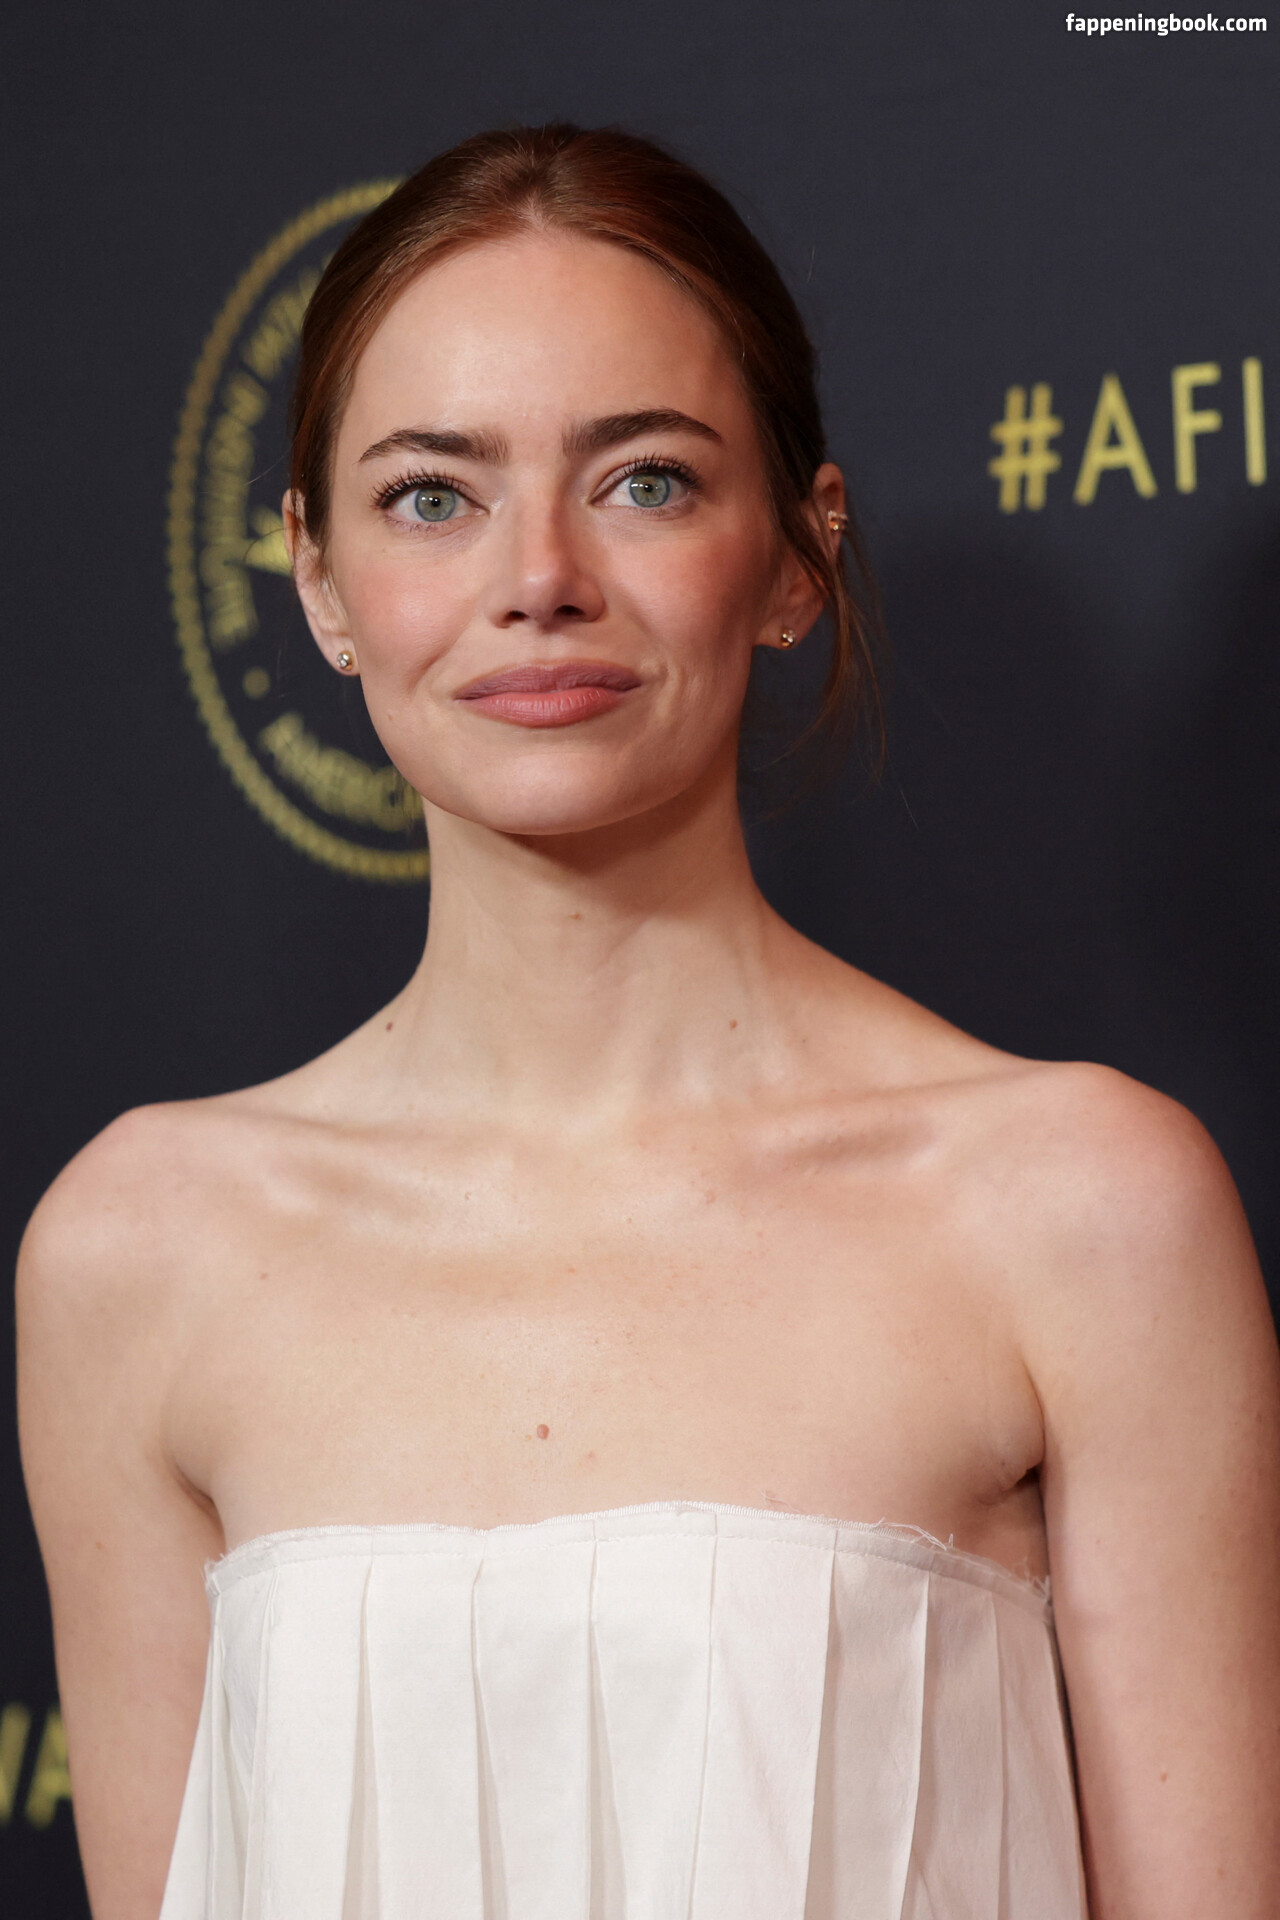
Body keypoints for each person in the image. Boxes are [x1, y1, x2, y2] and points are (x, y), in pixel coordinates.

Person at [16, 123, 1280, 1920]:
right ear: (318, 581)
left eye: (647, 481)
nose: (539, 575)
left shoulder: (1085, 1209)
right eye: (432, 496)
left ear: (798, 555)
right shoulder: (135, 1255)